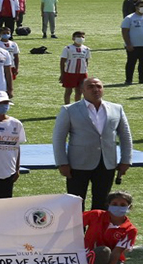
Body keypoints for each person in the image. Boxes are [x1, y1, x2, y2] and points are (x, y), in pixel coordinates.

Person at [52, 77, 133, 210]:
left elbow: (125, 135)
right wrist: (62, 163)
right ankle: (77, 231)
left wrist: (126, 160)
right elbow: (58, 138)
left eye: (99, 86)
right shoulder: (69, 110)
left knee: (102, 203)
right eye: (91, 87)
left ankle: (97, 231)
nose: (95, 89)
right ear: (82, 90)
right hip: (77, 164)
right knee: (75, 204)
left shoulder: (116, 109)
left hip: (107, 163)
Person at [83, 191, 138, 264]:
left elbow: (116, 253)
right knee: (103, 251)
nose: (118, 207)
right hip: (87, 255)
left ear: (129, 207)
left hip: (112, 260)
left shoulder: (130, 230)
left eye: (123, 205)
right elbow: (73, 223)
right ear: (108, 205)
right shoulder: (96, 215)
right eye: (114, 204)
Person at [59, 31, 91, 105]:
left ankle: (77, 106)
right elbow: (62, 61)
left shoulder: (86, 49)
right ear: (73, 38)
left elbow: (86, 61)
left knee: (79, 91)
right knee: (68, 91)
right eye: (78, 37)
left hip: (82, 73)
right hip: (70, 72)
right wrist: (62, 74)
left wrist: (86, 70)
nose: (81, 38)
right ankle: (67, 107)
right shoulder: (68, 48)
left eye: (82, 37)